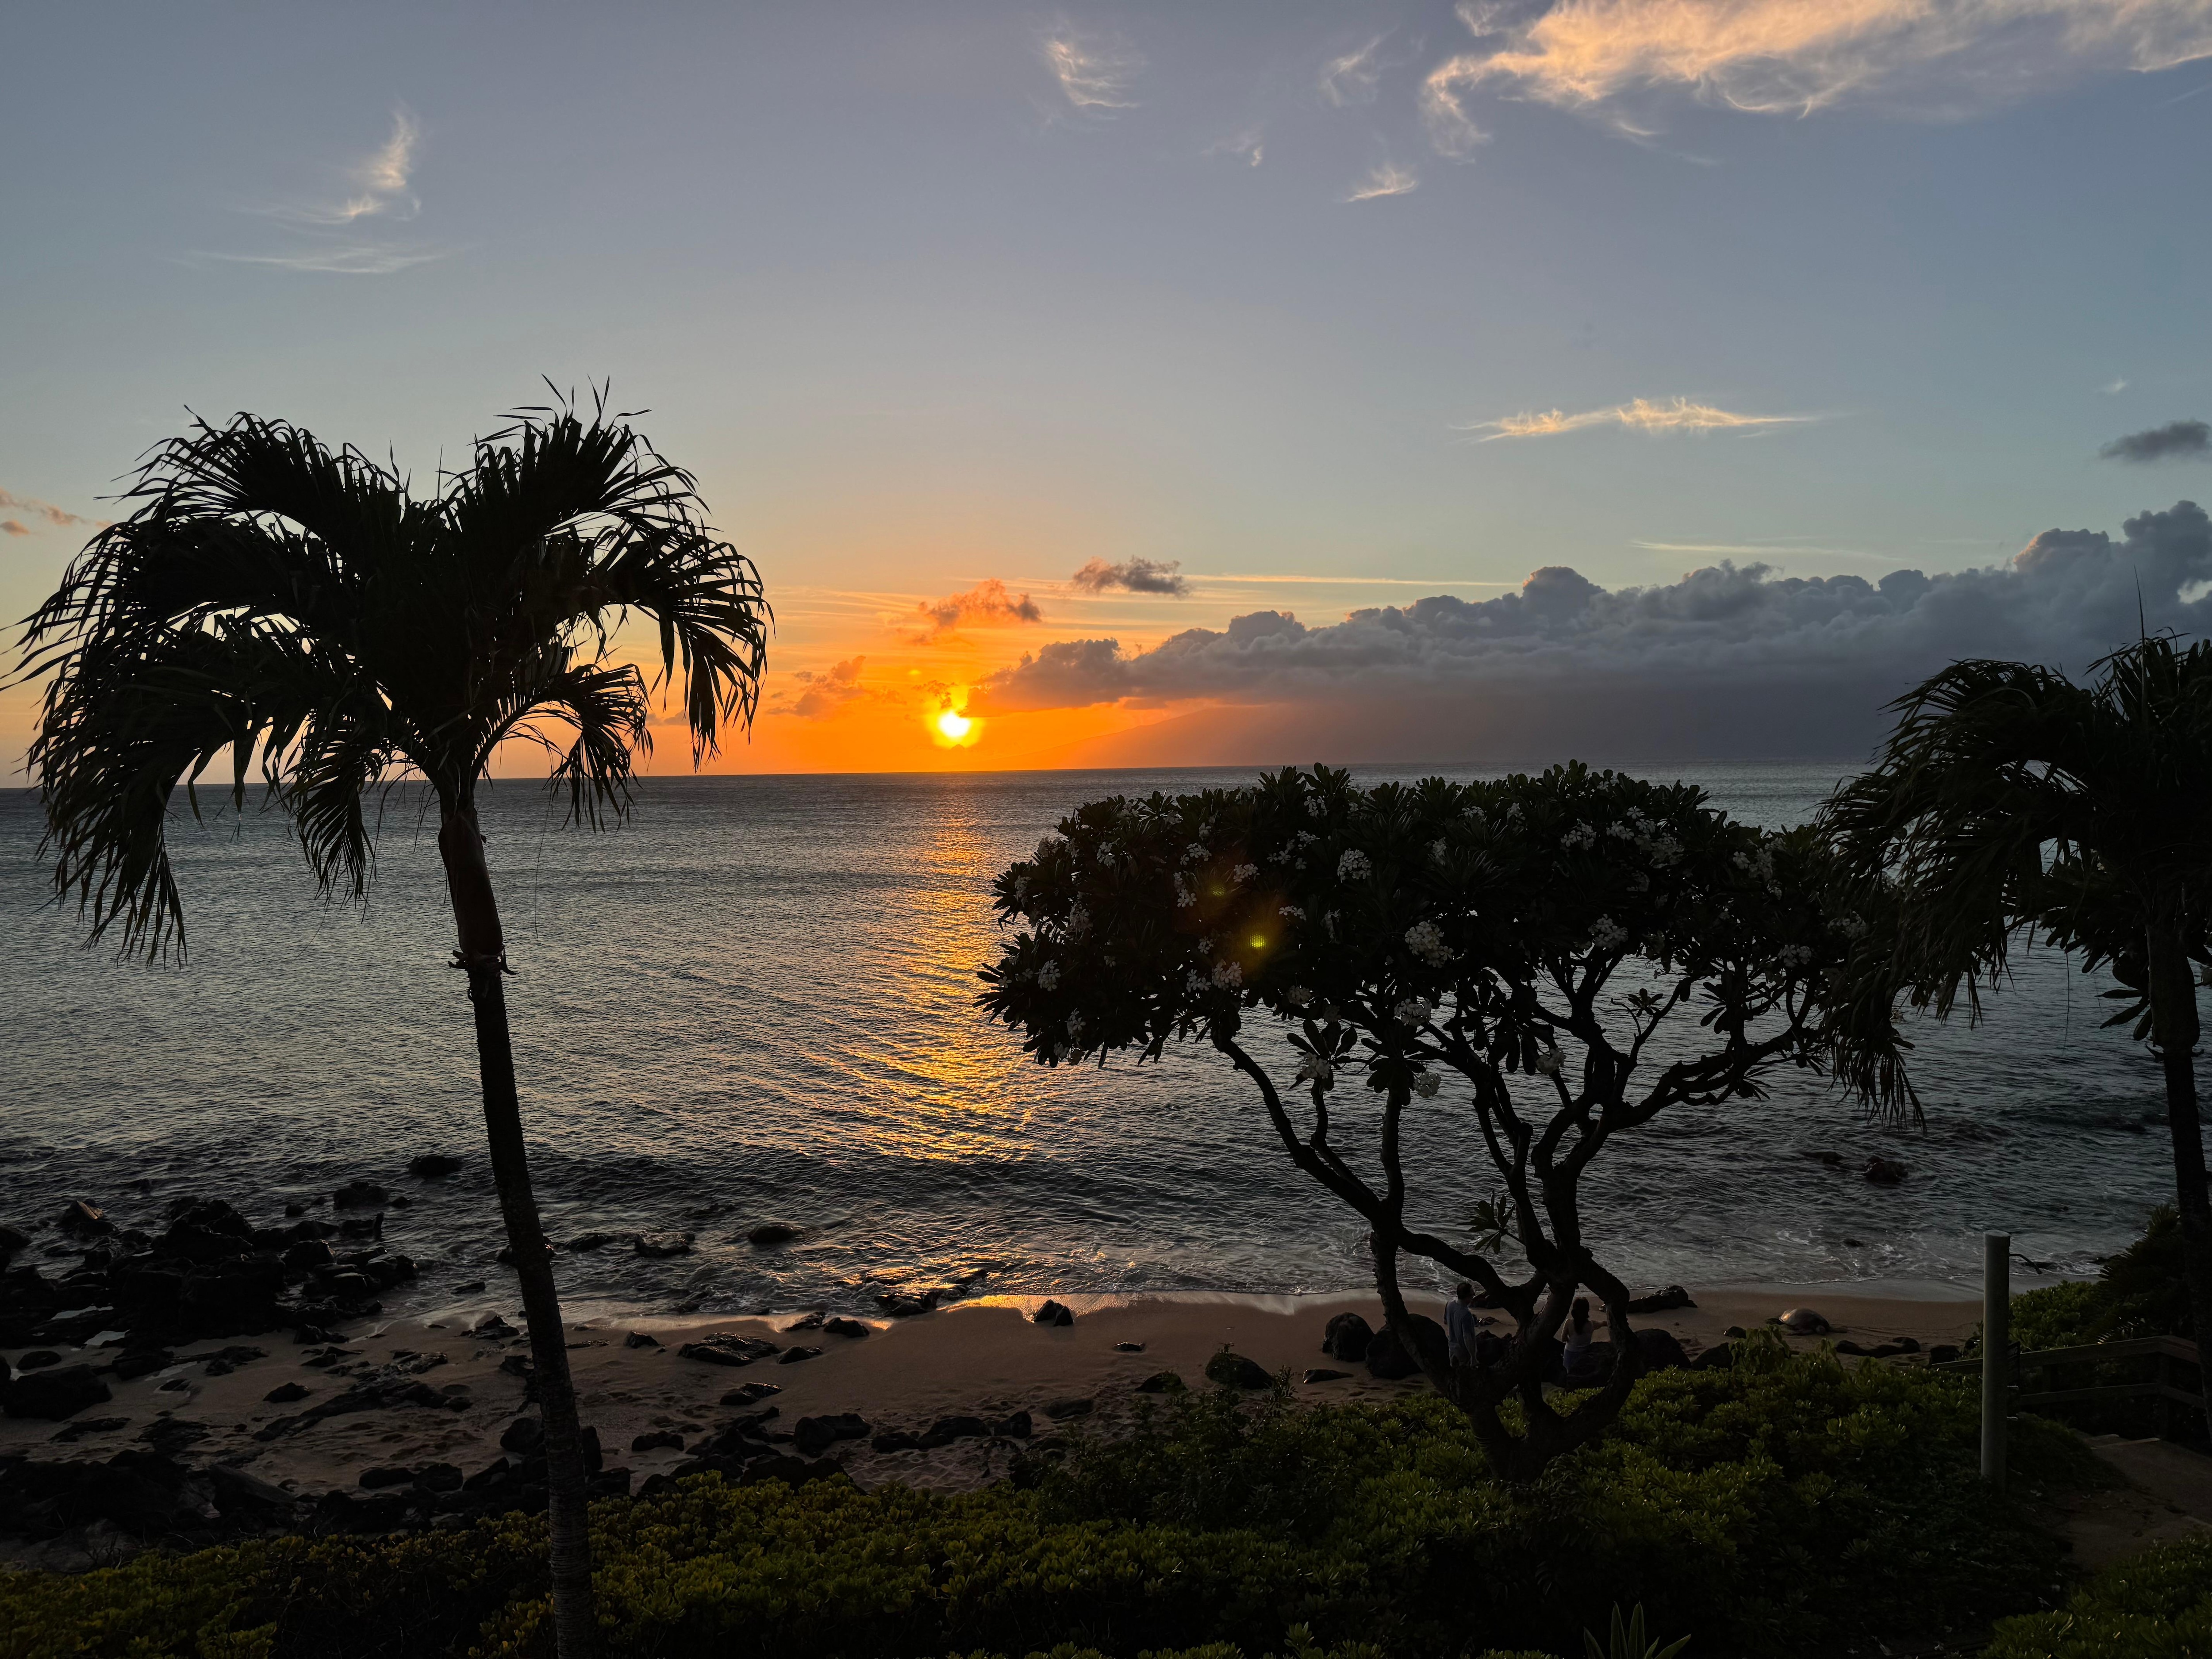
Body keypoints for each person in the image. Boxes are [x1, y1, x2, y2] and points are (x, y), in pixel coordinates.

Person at [1445, 1280, 1482, 1367]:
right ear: (1468, 1297)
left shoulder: (1449, 1305)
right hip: (1463, 1352)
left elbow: (1446, 1321)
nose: (1474, 1295)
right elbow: (1467, 1338)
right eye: (1473, 1294)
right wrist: (1473, 1357)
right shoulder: (1466, 1315)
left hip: (1452, 1347)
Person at [1561, 1296, 1597, 1379]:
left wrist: (1570, 1341)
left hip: (1570, 1354)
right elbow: (1603, 1323)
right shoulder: (1591, 1324)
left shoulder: (1569, 1322)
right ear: (1587, 1310)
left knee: (1569, 1374)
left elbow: (1563, 1339)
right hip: (1584, 1354)